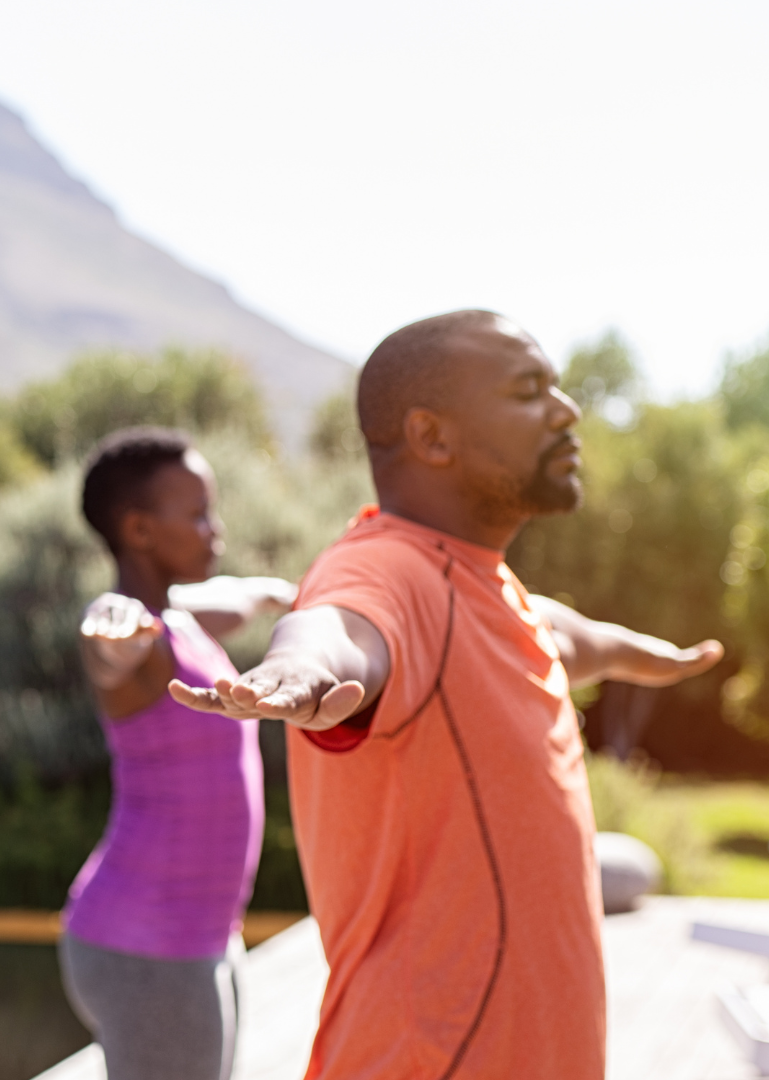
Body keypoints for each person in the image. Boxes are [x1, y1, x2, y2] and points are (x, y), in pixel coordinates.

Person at [171, 311, 724, 1078]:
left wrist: (650, 656)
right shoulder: (385, 570)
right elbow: (337, 626)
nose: (566, 411)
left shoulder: (489, 588)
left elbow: (566, 633)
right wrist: (298, 671)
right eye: (530, 391)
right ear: (432, 437)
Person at [66, 426, 296, 1080]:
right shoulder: (134, 631)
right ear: (138, 530)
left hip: (202, 936)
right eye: (196, 513)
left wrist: (285, 594)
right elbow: (109, 639)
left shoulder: (183, 619)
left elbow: (238, 597)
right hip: (147, 943)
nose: (214, 529)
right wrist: (113, 636)